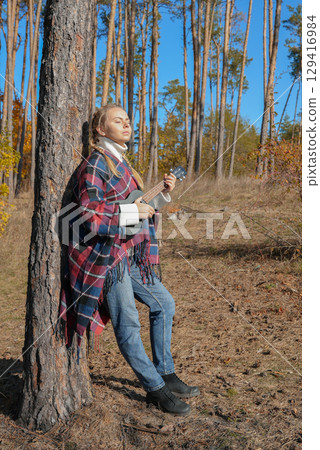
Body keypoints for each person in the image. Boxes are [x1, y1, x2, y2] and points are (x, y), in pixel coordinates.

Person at [60, 104, 199, 416]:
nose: (125, 123)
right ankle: (155, 389)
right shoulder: (97, 163)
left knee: (165, 304)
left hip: (128, 250)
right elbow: (91, 213)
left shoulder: (123, 164)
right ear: (100, 128)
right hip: (106, 256)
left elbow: (137, 205)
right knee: (128, 323)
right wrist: (134, 211)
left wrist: (161, 194)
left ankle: (166, 373)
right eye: (117, 120)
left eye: (127, 119)